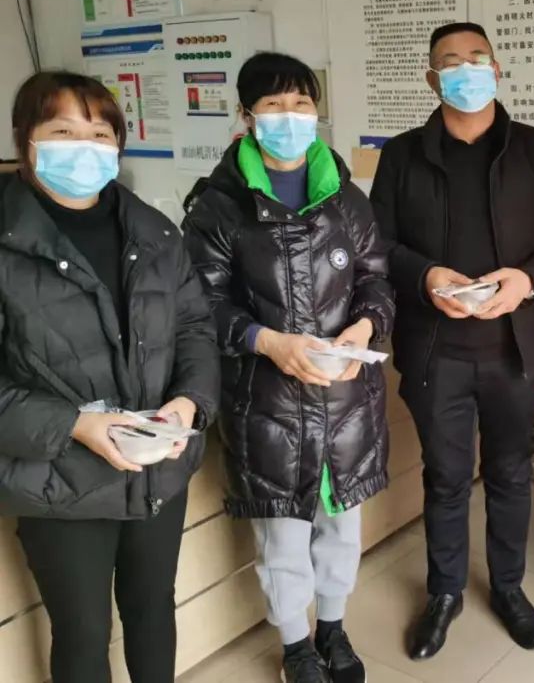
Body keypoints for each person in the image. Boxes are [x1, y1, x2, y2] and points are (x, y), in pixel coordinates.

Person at [370, 22, 534, 660]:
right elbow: (377, 244)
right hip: (436, 349)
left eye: (477, 58)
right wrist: (425, 276)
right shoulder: (402, 155)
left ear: (496, 69)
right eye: (450, 62)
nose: (466, 70)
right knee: (445, 476)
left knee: (512, 472)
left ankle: (510, 588)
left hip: (514, 348)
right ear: (431, 79)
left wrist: (528, 281)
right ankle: (444, 593)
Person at [0, 72, 220, 683]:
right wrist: (75, 425)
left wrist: (188, 403)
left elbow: (195, 328)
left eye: (100, 133)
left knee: (153, 611)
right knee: (83, 634)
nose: (85, 146)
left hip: (157, 466)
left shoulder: (155, 231)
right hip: (58, 479)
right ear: (26, 140)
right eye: (63, 131)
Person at [183, 52, 395, 683]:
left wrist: (365, 326)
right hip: (268, 402)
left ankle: (332, 628)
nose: (290, 116)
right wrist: (269, 342)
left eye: (301, 103)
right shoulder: (218, 206)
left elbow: (376, 281)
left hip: (346, 398)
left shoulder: (346, 198)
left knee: (341, 526)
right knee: (282, 539)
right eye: (273, 105)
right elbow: (201, 305)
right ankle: (296, 646)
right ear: (247, 116)